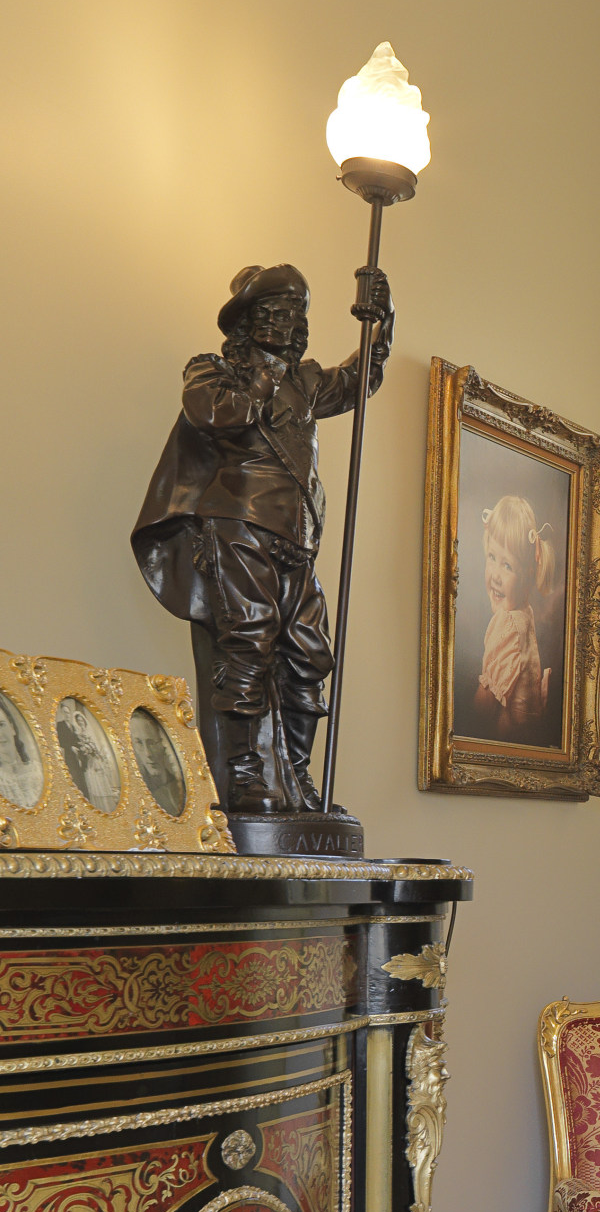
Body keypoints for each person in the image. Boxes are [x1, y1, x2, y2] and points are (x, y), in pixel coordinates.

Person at [131, 260, 392, 816]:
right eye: (273, 311)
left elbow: (360, 380)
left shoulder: (307, 382)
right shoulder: (213, 371)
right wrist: (263, 373)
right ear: (247, 322)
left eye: (295, 312)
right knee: (248, 644)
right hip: (239, 527)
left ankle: (296, 779)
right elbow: (216, 414)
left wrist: (381, 317)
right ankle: (246, 777)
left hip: (297, 537)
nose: (287, 321)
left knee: (309, 657)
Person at [473, 493, 558, 740]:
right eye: (492, 557)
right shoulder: (524, 614)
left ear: (529, 575)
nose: (495, 575)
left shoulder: (508, 623)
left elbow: (483, 710)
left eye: (507, 565)